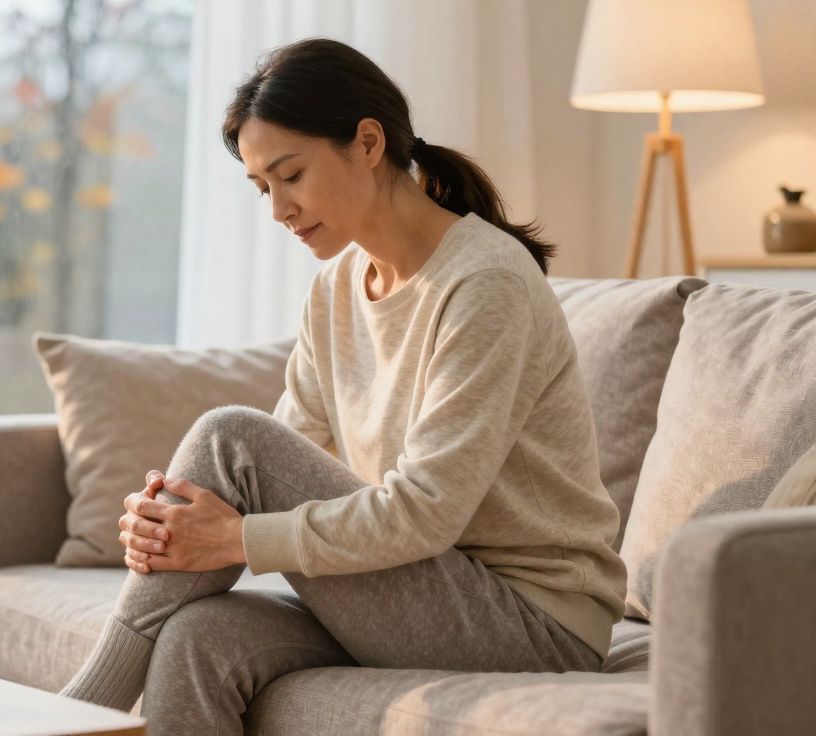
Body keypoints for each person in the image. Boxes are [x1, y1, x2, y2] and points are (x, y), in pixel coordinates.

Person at [58, 37, 627, 735]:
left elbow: (422, 512)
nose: (278, 210)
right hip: (420, 587)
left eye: (290, 175)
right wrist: (172, 528)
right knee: (198, 636)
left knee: (228, 435)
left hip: (532, 623)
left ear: (366, 142)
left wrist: (234, 539)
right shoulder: (334, 289)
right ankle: (72, 716)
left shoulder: (486, 284)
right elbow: (285, 459)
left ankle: (70, 719)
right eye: (262, 187)